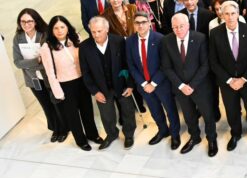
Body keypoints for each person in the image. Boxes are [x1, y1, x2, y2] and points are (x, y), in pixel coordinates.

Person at [39, 16, 102, 151]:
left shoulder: (76, 38)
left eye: (62, 27)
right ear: (51, 30)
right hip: (65, 85)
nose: (59, 30)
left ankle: (93, 135)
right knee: (73, 115)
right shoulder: (47, 47)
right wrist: (58, 92)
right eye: (56, 28)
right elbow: (50, 72)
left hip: (82, 81)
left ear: (68, 28)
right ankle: (80, 140)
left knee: (87, 110)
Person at [161, 13, 218, 157]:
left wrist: (191, 85)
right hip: (180, 88)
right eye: (175, 27)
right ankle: (195, 137)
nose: (178, 30)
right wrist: (181, 86)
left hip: (200, 86)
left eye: (181, 26)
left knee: (208, 115)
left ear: (188, 25)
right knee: (189, 116)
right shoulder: (167, 41)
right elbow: (167, 67)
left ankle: (211, 139)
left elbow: (205, 65)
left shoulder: (200, 38)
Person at [209, 1, 247, 151]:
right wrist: (229, 80)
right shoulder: (215, 33)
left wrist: (244, 79)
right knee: (231, 110)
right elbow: (213, 61)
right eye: (227, 14)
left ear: (238, 14)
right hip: (227, 83)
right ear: (221, 15)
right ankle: (236, 133)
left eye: (233, 13)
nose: (230, 17)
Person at [79, 17, 136, 150]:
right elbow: (85, 72)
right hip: (101, 89)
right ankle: (111, 134)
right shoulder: (84, 47)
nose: (96, 35)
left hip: (121, 85)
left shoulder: (119, 41)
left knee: (127, 110)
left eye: (99, 31)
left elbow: (126, 64)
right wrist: (95, 91)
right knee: (106, 114)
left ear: (107, 29)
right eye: (93, 32)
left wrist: (130, 84)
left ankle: (128, 134)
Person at [126, 12, 180, 149]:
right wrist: (144, 84)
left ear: (149, 23)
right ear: (134, 24)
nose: (141, 25)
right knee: (155, 110)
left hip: (161, 83)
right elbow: (131, 65)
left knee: (170, 109)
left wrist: (153, 83)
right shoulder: (130, 41)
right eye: (137, 22)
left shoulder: (161, 39)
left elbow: (165, 64)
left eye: (143, 22)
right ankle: (163, 130)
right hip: (143, 86)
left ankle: (175, 134)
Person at [13, 9, 67, 142]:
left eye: (29, 21)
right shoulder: (18, 38)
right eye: (23, 21)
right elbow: (18, 62)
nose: (26, 24)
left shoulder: (44, 35)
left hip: (49, 77)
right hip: (33, 79)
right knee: (46, 105)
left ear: (35, 21)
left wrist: (33, 63)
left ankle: (64, 128)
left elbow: (50, 59)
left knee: (57, 103)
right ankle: (55, 129)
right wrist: (36, 60)